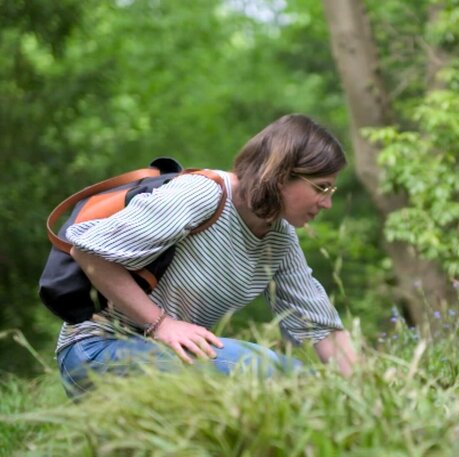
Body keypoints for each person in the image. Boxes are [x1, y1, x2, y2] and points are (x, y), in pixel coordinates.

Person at [56, 114, 358, 399]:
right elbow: (88, 252)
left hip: (169, 357)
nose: (327, 203)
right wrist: (160, 324)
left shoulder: (280, 239)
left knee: (311, 392)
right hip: (98, 349)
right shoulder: (204, 194)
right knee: (276, 374)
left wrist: (367, 395)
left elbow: (322, 329)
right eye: (322, 187)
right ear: (281, 175)